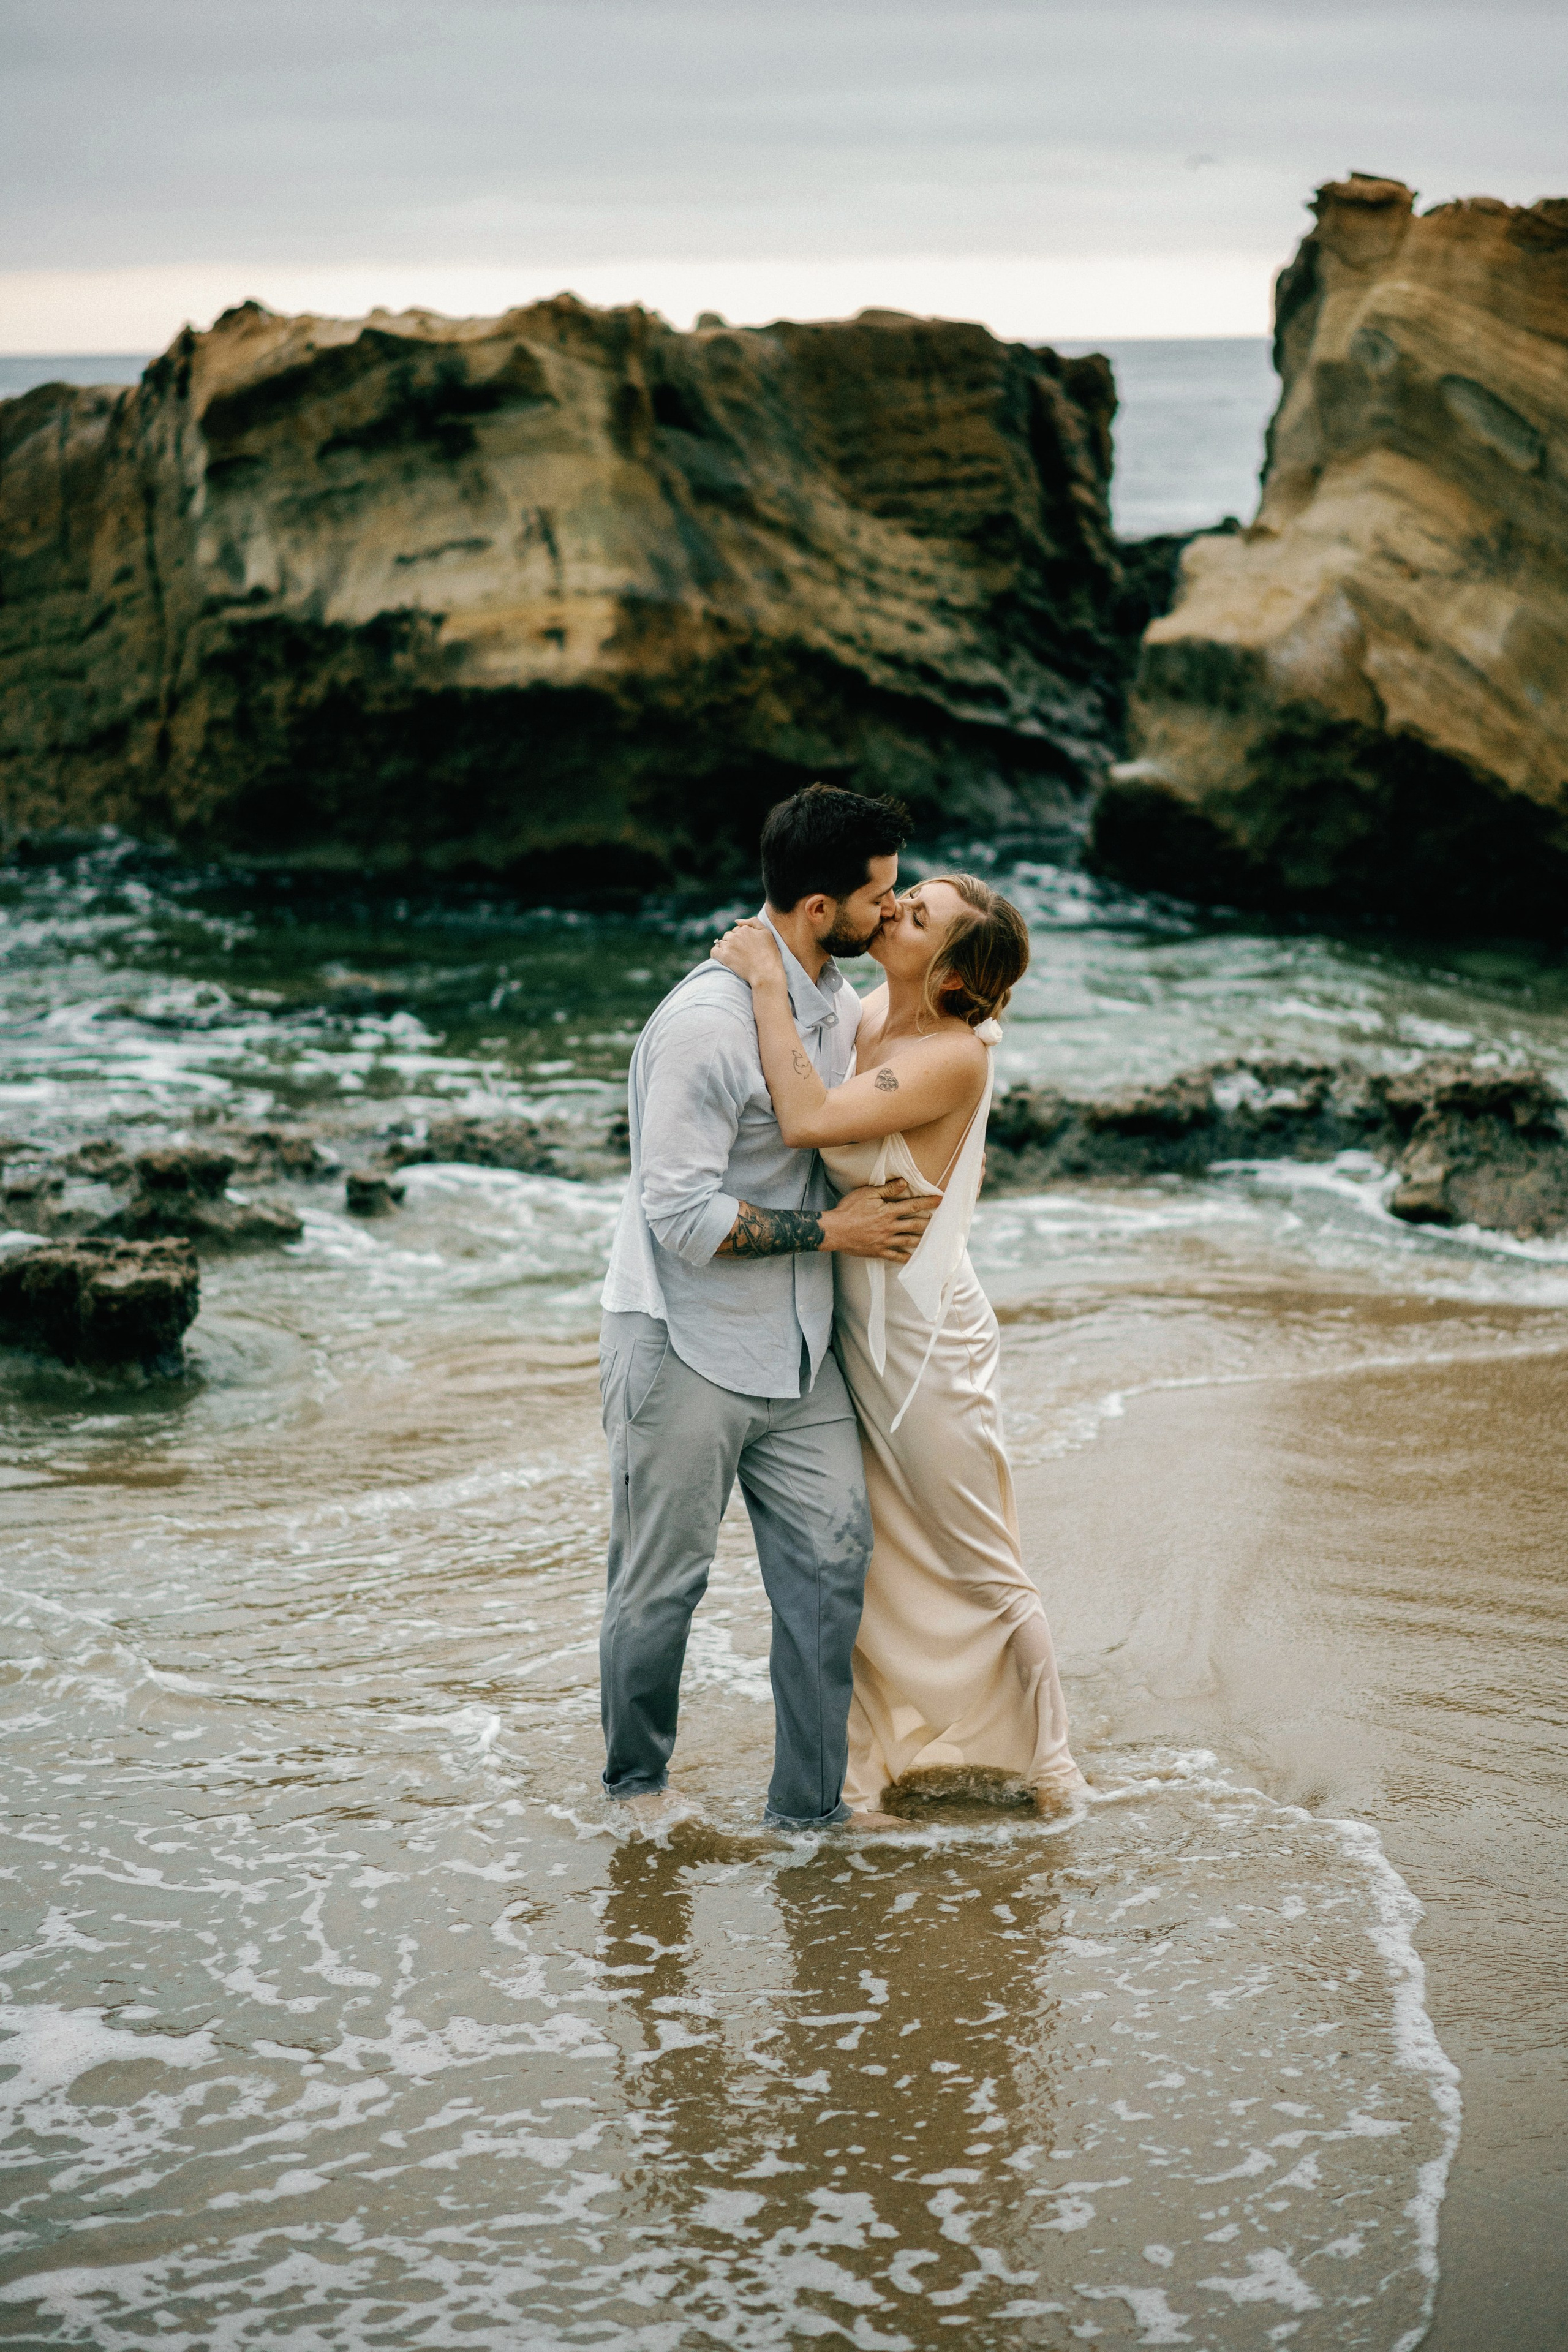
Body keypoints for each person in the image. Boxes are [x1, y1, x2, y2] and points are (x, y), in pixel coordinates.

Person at [597, 783, 940, 1830]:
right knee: (661, 1589)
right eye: (879, 897)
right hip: (684, 1344)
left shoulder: (834, 1001)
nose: (893, 910)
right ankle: (636, 1793)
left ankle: (808, 1817)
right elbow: (679, 1216)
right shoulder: (705, 1026)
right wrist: (834, 1233)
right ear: (818, 907)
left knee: (834, 1567)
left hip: (798, 1350)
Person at [712, 873, 1085, 1822]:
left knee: (980, 1555)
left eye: (920, 918)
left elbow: (808, 1121)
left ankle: (1056, 1768)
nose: (895, 909)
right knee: (868, 1554)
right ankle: (865, 1771)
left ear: (952, 976)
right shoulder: (872, 1008)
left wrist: (766, 977)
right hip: (852, 1329)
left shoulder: (952, 1054)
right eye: (908, 894)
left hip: (925, 1345)